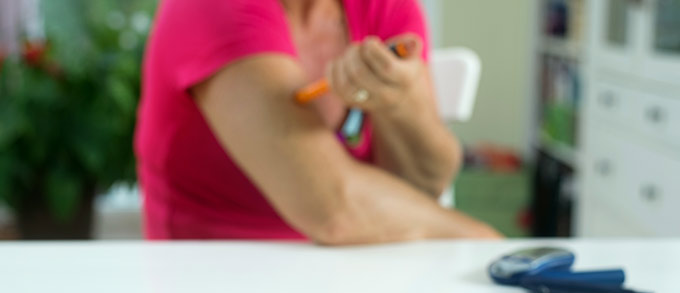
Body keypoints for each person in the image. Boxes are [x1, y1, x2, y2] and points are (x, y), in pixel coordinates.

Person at [135, 0, 501, 243]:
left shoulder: (385, 7)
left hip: (359, 279)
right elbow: (334, 209)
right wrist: (483, 241)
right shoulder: (209, 8)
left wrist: (402, 104)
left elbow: (423, 185)